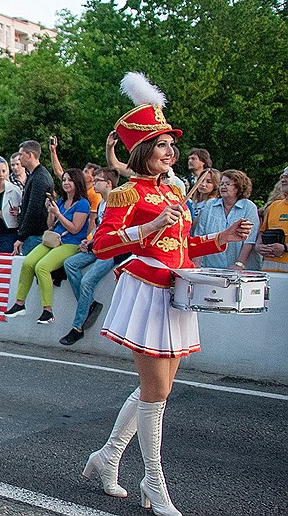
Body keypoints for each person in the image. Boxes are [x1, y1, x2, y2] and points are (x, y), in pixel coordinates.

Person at [82, 72, 250, 515]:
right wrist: (149, 226)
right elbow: (103, 245)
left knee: (156, 390)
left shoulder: (174, 190)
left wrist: (225, 238)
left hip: (178, 291)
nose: (170, 152)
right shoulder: (125, 193)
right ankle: (153, 483)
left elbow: (184, 247)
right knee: (155, 392)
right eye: (161, 144)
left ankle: (107, 458)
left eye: (172, 146)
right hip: (146, 292)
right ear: (142, 150)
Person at [5, 168, 90, 324]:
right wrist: (51, 212)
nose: (66, 183)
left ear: (77, 182)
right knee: (28, 262)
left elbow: (75, 228)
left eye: (70, 180)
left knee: (42, 267)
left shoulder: (83, 204)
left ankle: (48, 310)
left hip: (71, 242)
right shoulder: (61, 201)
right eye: (64, 180)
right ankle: (19, 303)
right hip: (54, 239)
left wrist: (58, 213)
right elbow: (50, 225)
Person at [59, 167, 121, 345]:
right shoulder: (102, 203)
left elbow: (115, 232)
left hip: (113, 251)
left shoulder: (117, 204)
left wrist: (94, 242)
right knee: (70, 263)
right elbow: (100, 227)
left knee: (87, 281)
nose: (93, 182)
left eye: (98, 180)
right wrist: (90, 239)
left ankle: (77, 327)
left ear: (108, 184)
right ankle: (90, 304)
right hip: (98, 246)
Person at [193, 169, 260, 270]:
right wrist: (196, 262)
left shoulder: (249, 207)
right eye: (222, 184)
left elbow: (249, 240)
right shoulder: (210, 205)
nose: (223, 186)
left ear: (239, 187)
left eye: (228, 184)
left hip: (240, 270)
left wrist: (239, 264)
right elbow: (199, 235)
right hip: (211, 267)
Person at [47, 136, 104, 233]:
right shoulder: (74, 185)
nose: (66, 182)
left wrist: (87, 239)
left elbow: (92, 221)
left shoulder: (95, 194)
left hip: (79, 236)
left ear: (93, 178)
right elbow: (59, 172)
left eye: (86, 172)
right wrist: (53, 151)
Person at [13, 140, 54, 255]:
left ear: (30, 155)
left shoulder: (39, 177)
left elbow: (33, 209)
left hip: (35, 234)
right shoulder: (34, 175)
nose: (19, 158)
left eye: (21, 154)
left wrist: (21, 236)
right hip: (32, 233)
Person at [256, 166, 288, 272]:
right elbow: (262, 232)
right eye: (282, 177)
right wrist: (259, 246)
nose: (283, 180)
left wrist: (285, 248)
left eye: (287, 177)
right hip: (269, 273)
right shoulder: (274, 206)